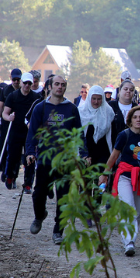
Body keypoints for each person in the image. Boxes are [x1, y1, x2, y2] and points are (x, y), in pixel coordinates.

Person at [25, 75, 86, 245]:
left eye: (63, 85)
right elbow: (32, 133)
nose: (60, 87)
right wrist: (30, 152)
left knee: (64, 197)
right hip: (45, 159)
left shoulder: (72, 109)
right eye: (57, 84)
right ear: (49, 87)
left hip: (66, 161)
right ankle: (39, 216)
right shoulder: (40, 108)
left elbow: (79, 134)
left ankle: (58, 230)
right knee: (38, 194)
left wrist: (84, 153)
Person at [99, 106, 140, 256]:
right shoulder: (123, 135)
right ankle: (129, 242)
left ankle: (130, 238)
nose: (138, 120)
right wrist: (105, 174)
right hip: (124, 177)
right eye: (135, 117)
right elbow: (114, 156)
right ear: (130, 120)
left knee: (138, 214)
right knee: (130, 209)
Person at [1, 71, 41, 191]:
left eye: (30, 83)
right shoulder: (13, 96)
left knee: (30, 157)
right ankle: (10, 177)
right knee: (13, 156)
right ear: (21, 83)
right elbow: (4, 113)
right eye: (25, 83)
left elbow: (40, 114)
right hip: (15, 130)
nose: (27, 85)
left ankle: (28, 184)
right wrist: (9, 118)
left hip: (30, 132)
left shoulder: (36, 98)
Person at [79, 85, 114, 166]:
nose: (96, 102)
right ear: (89, 98)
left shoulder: (108, 111)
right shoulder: (81, 111)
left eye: (99, 99)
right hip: (85, 155)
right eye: (94, 98)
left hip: (103, 154)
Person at [0, 68, 22, 175]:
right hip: (6, 122)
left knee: (15, 149)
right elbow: (0, 108)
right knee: (3, 145)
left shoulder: (23, 90)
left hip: (18, 124)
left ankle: (13, 171)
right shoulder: (6, 90)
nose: (16, 81)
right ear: (10, 78)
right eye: (14, 79)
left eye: (18, 79)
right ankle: (4, 169)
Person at [110, 79, 136, 146]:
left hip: (132, 146)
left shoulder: (137, 108)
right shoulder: (110, 106)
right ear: (120, 90)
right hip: (113, 145)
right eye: (126, 89)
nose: (128, 91)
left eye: (131, 90)